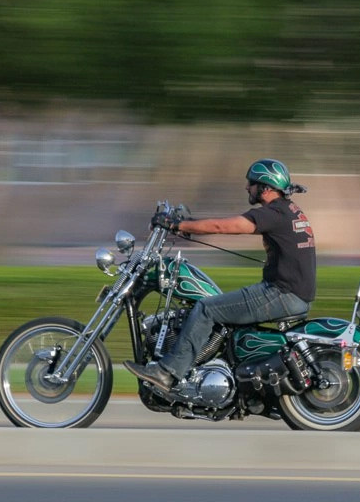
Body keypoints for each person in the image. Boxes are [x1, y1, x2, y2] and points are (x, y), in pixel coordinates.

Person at [124, 158, 316, 393]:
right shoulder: (289, 210)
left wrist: (178, 225)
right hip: (289, 291)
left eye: (251, 183)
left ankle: (167, 372)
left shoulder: (273, 213)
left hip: (281, 293)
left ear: (265, 187)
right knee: (217, 306)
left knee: (207, 308)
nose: (247, 188)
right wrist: (186, 224)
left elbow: (221, 227)